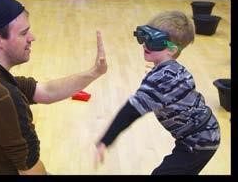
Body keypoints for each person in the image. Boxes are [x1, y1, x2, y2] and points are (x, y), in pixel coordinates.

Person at [0, 0, 107, 175]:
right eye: (23, 33)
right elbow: (32, 172)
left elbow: (46, 91)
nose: (32, 37)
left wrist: (94, 72)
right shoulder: (2, 96)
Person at [94, 11, 220, 175]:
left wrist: (105, 140)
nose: (145, 45)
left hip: (198, 142)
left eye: (153, 41)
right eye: (144, 37)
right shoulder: (174, 69)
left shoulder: (161, 80)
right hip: (201, 133)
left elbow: (131, 110)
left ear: (172, 50)